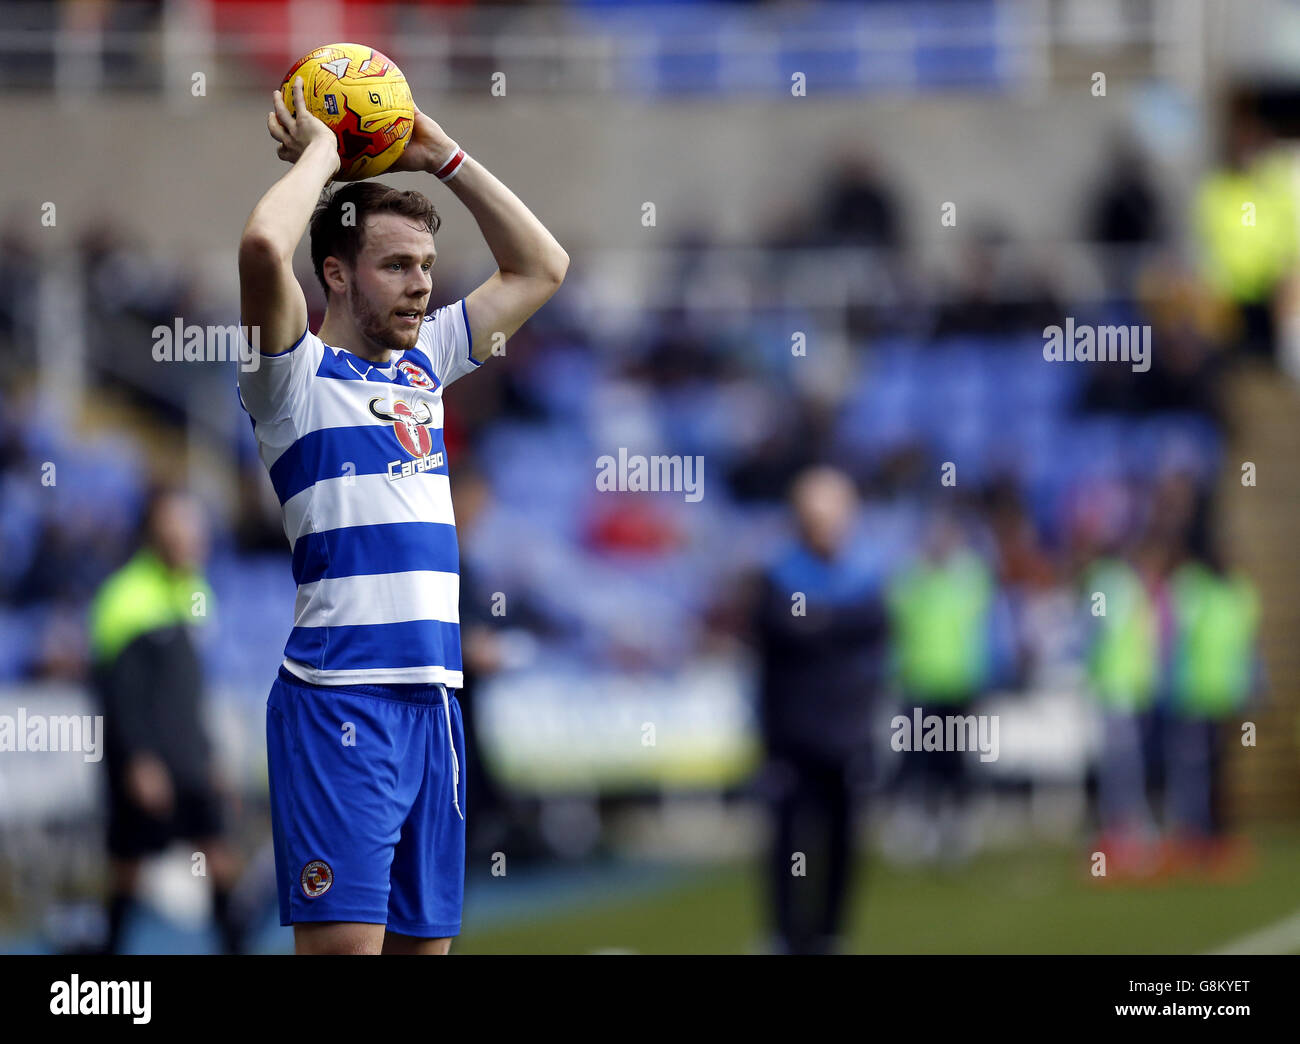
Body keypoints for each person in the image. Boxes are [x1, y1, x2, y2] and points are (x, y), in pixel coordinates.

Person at [236, 78, 567, 955]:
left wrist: (443, 154)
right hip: (339, 699)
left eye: (426, 266)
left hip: (438, 706)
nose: (421, 286)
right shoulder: (293, 381)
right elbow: (265, 246)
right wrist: (322, 153)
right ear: (337, 273)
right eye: (396, 265)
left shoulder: (424, 367)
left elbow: (543, 267)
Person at [87, 486, 245, 954]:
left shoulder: (196, 592)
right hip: (144, 761)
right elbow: (116, 694)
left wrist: (210, 752)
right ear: (157, 531)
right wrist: (137, 759)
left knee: (218, 857)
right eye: (181, 524)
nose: (193, 535)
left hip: (189, 754)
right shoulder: (123, 596)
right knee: (128, 871)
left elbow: (192, 690)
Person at [749, 467, 887, 955]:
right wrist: (831, 625)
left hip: (848, 732)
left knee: (844, 842)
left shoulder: (865, 575)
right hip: (790, 735)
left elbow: (866, 628)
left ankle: (829, 934)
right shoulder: (778, 576)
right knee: (789, 843)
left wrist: (822, 624)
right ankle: (787, 934)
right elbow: (787, 629)